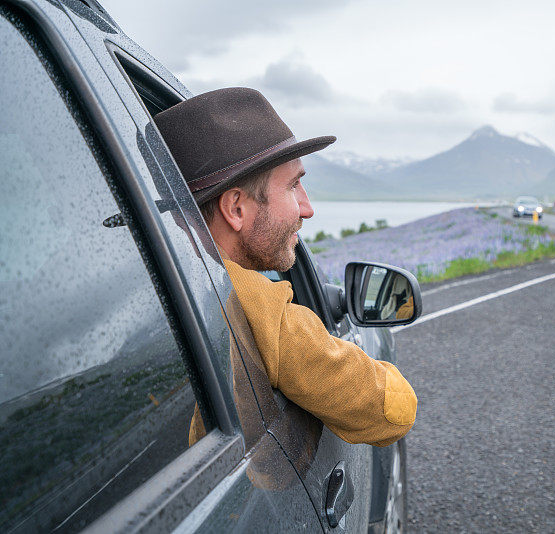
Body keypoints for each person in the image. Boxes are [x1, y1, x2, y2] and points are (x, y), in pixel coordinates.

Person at [154, 87, 417, 448]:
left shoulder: (152, 282)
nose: (307, 209)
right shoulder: (260, 311)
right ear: (235, 208)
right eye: (293, 186)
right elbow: (391, 412)